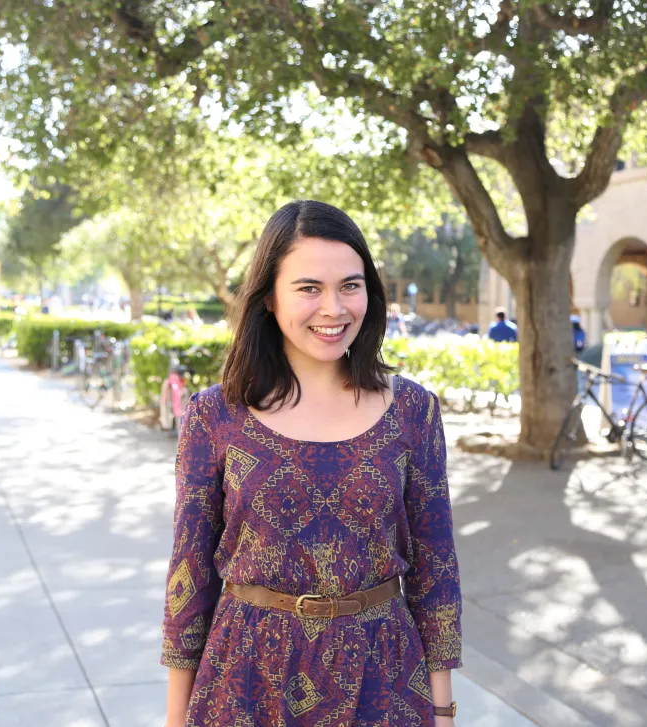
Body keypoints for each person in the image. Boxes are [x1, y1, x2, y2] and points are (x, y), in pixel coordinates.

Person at [162, 200, 462, 727]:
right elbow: (189, 578)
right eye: (308, 288)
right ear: (269, 300)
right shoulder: (215, 416)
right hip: (245, 680)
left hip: (384, 678)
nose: (334, 308)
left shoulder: (413, 412)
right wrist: (174, 718)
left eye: (350, 285)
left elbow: (436, 573)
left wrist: (443, 711)